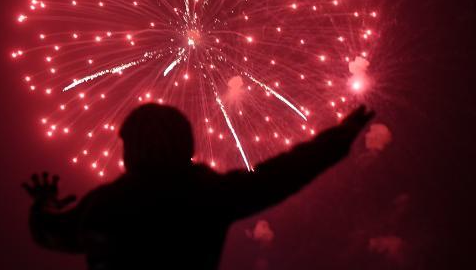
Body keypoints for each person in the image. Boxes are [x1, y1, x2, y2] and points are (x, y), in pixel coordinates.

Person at [22, 103, 375, 269]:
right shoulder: (206, 194)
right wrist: (336, 140)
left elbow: (50, 232)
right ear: (184, 143)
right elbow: (282, 175)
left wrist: (44, 203)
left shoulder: (107, 204)